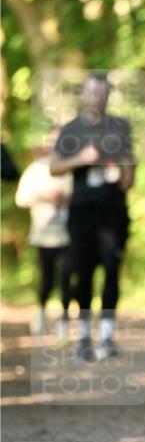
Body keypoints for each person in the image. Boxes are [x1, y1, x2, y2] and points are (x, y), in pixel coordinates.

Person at [49, 73, 135, 361]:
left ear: (109, 95)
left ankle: (108, 336)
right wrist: (81, 159)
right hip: (82, 211)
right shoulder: (71, 129)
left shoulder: (120, 126)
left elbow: (129, 162)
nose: (97, 97)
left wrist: (126, 174)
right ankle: (84, 337)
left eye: (102, 92)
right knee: (82, 271)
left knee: (112, 267)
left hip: (113, 209)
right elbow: (54, 167)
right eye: (92, 92)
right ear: (83, 95)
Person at [15, 128, 73, 337]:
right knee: (47, 279)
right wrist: (44, 197)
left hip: (68, 234)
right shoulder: (36, 169)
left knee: (67, 278)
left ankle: (64, 324)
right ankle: (41, 314)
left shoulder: (72, 168)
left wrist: (66, 199)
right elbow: (21, 199)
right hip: (43, 234)